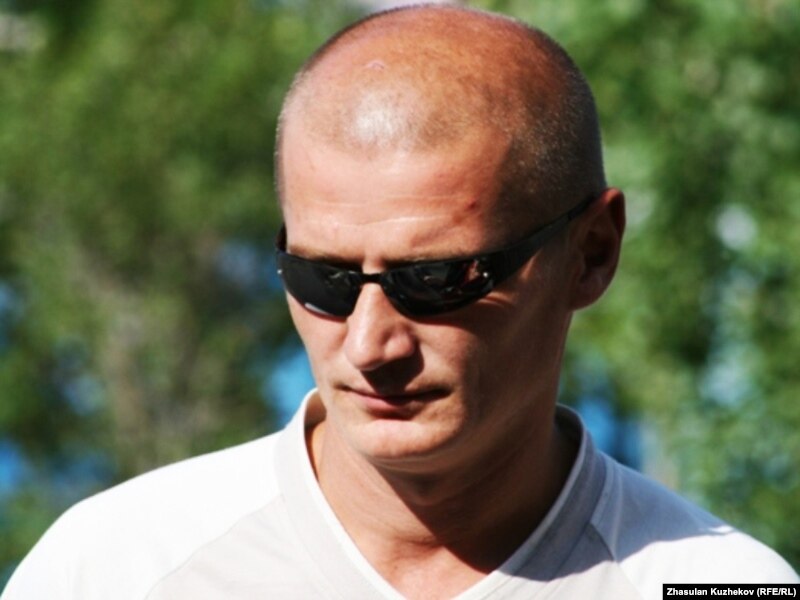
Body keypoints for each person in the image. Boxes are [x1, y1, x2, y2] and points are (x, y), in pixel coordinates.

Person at [3, 5, 798, 600]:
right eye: (323, 279)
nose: (370, 344)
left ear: (591, 254)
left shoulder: (716, 583)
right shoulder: (113, 571)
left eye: (437, 281)